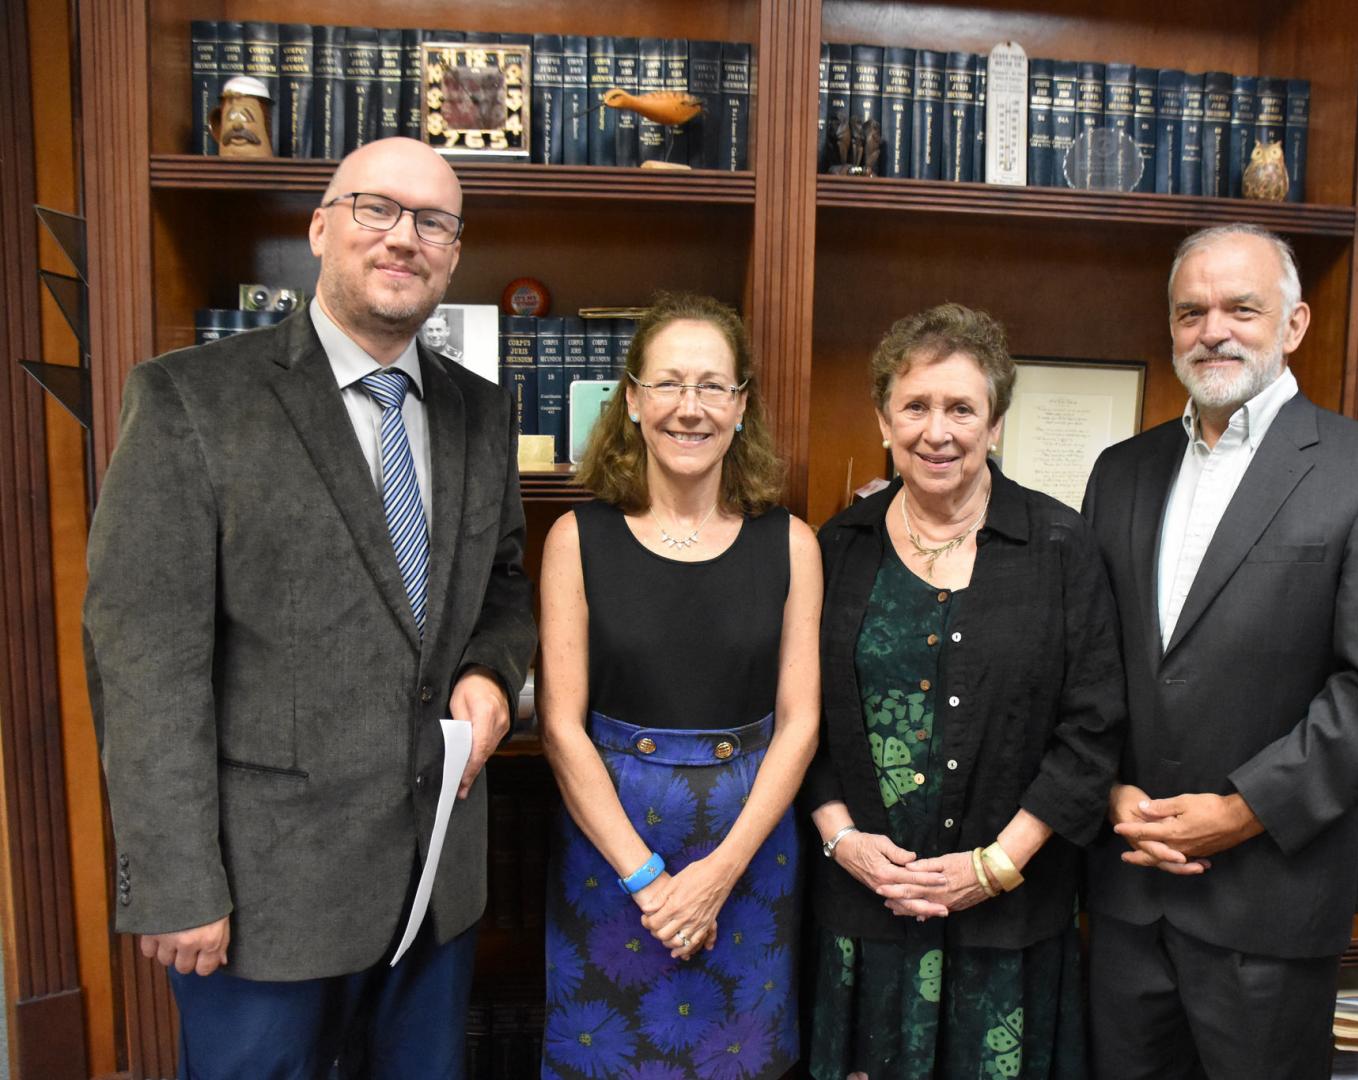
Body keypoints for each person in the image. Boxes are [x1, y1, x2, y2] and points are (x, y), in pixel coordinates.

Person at [83, 137, 536, 1077]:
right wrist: (173, 881)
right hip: (259, 900)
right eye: (378, 208)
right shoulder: (190, 402)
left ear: (454, 253)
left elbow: (502, 582)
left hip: (432, 885)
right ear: (321, 226)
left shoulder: (482, 414)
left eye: (434, 222)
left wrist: (491, 669)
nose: (404, 238)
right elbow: (144, 662)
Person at [1081, 223, 1358, 1080]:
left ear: (1295, 324)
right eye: (1191, 311)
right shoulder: (1119, 471)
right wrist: (1105, 790)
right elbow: (1084, 659)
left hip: (1268, 907)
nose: (1214, 330)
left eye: (1242, 308)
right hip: (1126, 894)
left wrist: (1242, 810)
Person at [803, 303, 1126, 1079]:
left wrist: (996, 865)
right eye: (914, 406)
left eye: (961, 408)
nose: (937, 431)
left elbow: (1095, 726)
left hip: (1011, 921)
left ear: (996, 424)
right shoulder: (836, 548)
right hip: (865, 914)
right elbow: (798, 717)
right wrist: (843, 840)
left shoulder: (1060, 546)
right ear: (883, 420)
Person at [539, 292, 821, 1079]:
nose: (688, 409)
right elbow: (562, 728)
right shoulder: (575, 538)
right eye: (667, 384)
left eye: (711, 387)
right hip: (611, 854)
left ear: (740, 407)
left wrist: (721, 872)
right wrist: (647, 880)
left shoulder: (792, 543)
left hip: (750, 855)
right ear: (632, 400)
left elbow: (799, 724)